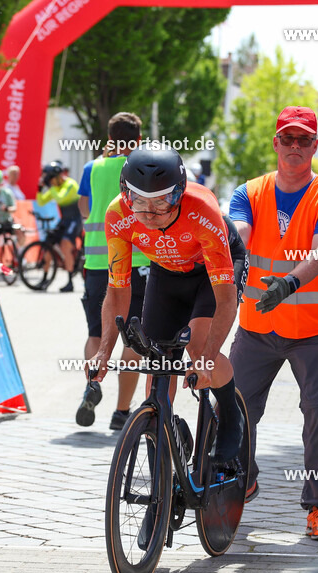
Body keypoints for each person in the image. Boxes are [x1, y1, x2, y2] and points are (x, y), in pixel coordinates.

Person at [229, 105, 318, 541]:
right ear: (276, 143)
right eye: (288, 139)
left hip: (312, 331)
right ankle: (242, 481)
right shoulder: (249, 193)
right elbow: (238, 234)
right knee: (233, 410)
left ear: (315, 146)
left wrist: (290, 282)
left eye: (304, 140)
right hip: (256, 328)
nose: (295, 147)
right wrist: (228, 253)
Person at [89, 147, 244, 473]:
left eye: (161, 201)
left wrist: (206, 359)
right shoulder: (118, 213)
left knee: (198, 345)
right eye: (139, 200)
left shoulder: (202, 210)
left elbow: (226, 302)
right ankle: (164, 435)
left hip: (210, 271)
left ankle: (231, 414)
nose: (149, 212)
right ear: (125, 192)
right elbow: (118, 289)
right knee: (157, 359)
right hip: (166, 272)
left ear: (180, 192)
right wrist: (105, 349)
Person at [74, 112, 150, 429]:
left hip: (96, 263)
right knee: (133, 340)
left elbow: (84, 209)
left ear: (109, 136)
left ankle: (93, 384)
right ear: (137, 140)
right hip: (135, 264)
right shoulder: (143, 168)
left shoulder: (92, 167)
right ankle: (121, 413)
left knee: (96, 332)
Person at [37, 161, 82, 292]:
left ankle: (70, 281)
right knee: (47, 244)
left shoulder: (70, 184)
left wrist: (50, 187)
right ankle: (45, 278)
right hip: (64, 220)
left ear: (57, 177)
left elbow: (61, 198)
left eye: (51, 179)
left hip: (75, 220)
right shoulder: (55, 188)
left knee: (65, 245)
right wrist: (39, 190)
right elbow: (41, 201)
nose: (50, 182)